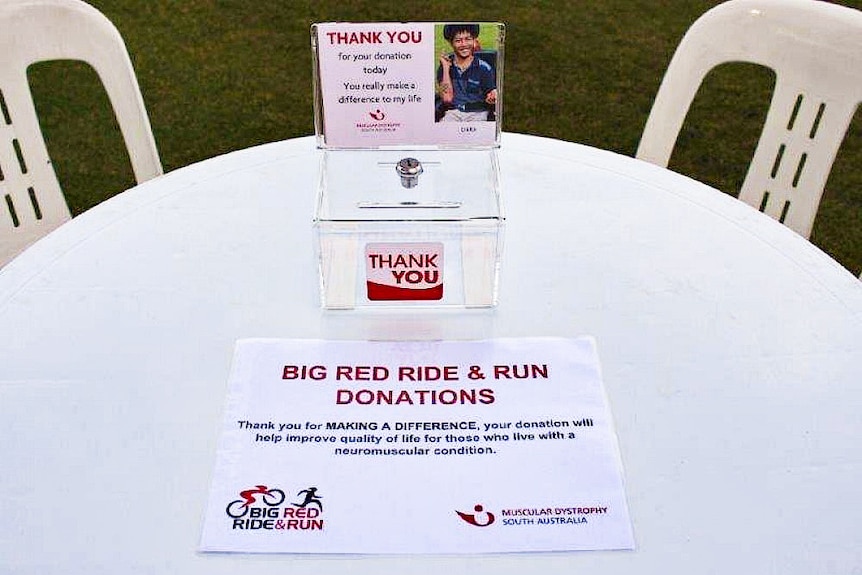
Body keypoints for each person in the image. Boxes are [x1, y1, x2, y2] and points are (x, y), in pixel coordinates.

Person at [437, 24, 497, 122]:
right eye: (458, 40)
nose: (464, 44)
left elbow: (491, 92)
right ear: (450, 43)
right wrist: (446, 69)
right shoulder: (445, 67)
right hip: (453, 112)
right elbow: (447, 99)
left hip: (478, 113)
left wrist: (493, 95)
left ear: (474, 41)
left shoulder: (484, 68)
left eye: (468, 39)